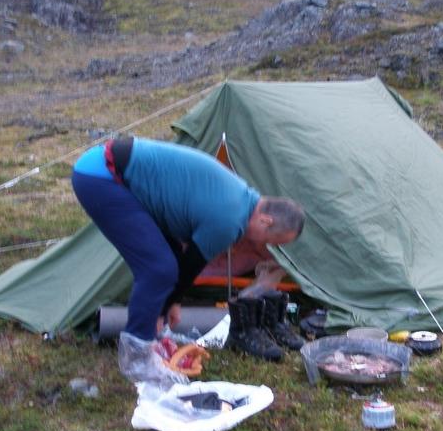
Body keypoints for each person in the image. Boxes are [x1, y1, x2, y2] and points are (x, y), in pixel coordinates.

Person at [70, 136, 305, 367]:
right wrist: (162, 310)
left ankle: (148, 338)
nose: (267, 246)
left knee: (164, 264)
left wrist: (171, 302)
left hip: (111, 171)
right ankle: (137, 356)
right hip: (101, 176)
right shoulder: (229, 220)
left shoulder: (242, 200)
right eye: (272, 240)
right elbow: (190, 266)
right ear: (265, 220)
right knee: (158, 270)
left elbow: (179, 257)